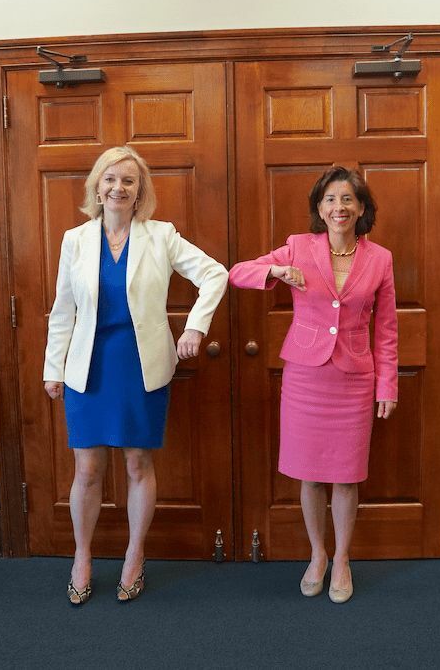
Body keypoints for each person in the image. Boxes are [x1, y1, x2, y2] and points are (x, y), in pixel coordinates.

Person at [43, 146, 228, 605]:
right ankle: (82, 556)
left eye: (128, 180)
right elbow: (63, 309)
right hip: (88, 365)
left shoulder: (161, 236)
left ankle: (134, 555)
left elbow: (215, 274)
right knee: (87, 468)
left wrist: (195, 326)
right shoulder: (75, 240)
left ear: (139, 190)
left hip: (140, 365)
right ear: (97, 186)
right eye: (110, 179)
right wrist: (53, 367)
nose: (118, 188)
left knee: (137, 464)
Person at [229, 166, 397, 604]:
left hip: (355, 379)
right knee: (309, 474)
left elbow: (388, 330)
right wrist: (277, 273)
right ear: (318, 208)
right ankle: (317, 555)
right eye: (329, 200)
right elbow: (237, 272)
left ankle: (342, 558)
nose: (337, 208)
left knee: (345, 476)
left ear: (361, 208)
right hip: (306, 376)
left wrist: (387, 386)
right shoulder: (298, 247)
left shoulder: (380, 258)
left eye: (347, 200)